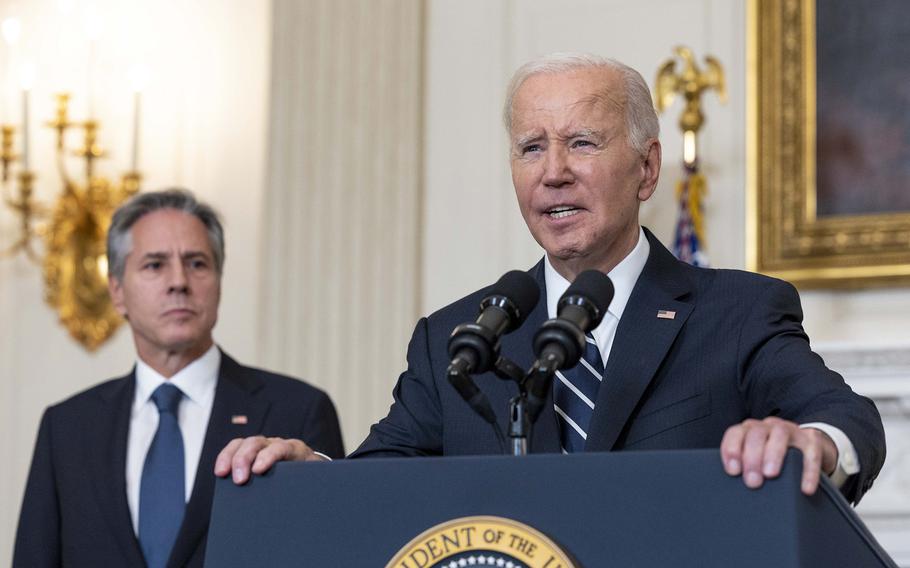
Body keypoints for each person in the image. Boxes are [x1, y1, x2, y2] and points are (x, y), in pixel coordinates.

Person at [216, 53, 884, 505]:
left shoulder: (735, 312)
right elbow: (383, 480)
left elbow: (848, 419)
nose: (553, 171)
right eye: (532, 147)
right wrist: (312, 481)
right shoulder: (459, 337)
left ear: (647, 169)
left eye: (582, 143)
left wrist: (812, 443)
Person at [14, 189, 345, 568]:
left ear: (219, 283)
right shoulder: (67, 427)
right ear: (117, 292)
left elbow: (335, 550)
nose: (178, 282)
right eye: (155, 265)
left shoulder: (298, 410)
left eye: (197, 263)